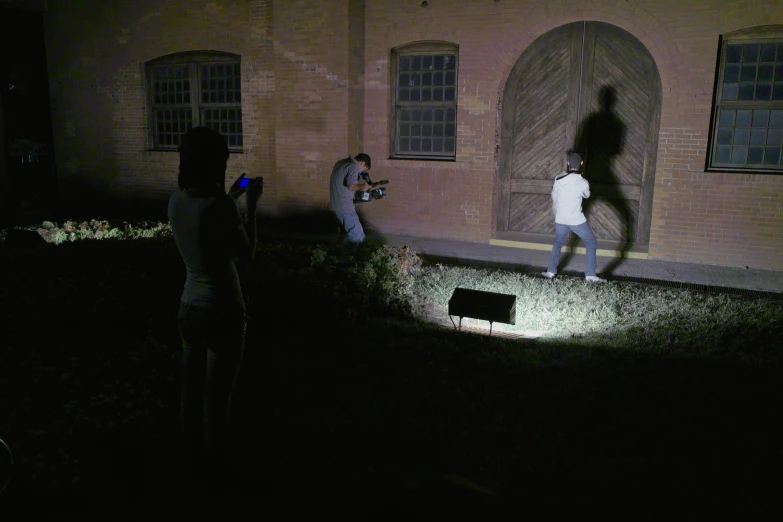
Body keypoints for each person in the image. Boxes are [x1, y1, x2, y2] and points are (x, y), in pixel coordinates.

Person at [167, 126, 264, 483]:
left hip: (187, 309)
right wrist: (250, 207)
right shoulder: (222, 206)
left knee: (189, 393)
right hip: (222, 312)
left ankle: (190, 461)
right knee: (216, 400)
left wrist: (231, 200)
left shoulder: (176, 200)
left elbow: (205, 220)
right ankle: (218, 474)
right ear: (215, 164)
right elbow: (248, 254)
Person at [542, 151, 606, 283]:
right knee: (591, 243)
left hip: (560, 218)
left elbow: (554, 196)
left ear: (568, 163)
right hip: (576, 220)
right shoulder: (583, 182)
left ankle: (550, 271)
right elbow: (587, 195)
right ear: (581, 164)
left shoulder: (558, 179)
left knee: (558, 243)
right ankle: (590, 275)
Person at [329, 153, 373, 246]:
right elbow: (351, 186)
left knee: (359, 234)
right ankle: (344, 255)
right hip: (344, 206)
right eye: (363, 169)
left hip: (340, 204)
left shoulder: (341, 162)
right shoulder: (353, 166)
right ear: (362, 163)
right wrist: (362, 187)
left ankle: (348, 253)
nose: (360, 172)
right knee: (356, 236)